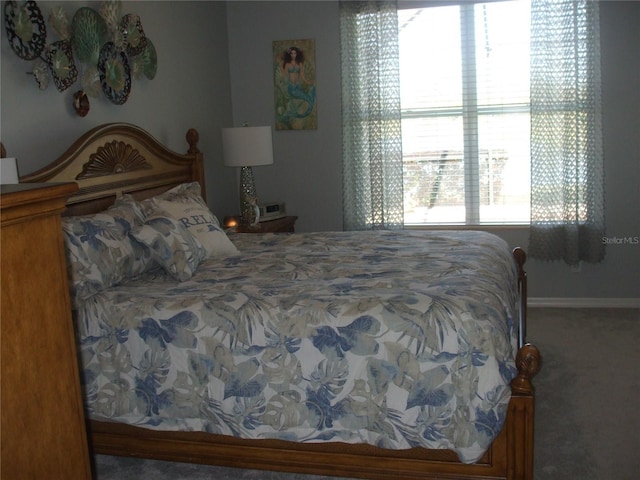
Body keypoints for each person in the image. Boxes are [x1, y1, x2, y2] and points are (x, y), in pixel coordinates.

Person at [278, 46, 316, 120]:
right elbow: (283, 73)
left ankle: (298, 113)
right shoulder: (287, 64)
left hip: (297, 87)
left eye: (294, 53)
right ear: (290, 54)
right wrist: (280, 63)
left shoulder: (300, 64)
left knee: (309, 98)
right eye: (291, 53)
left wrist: (309, 82)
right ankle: (294, 113)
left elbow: (302, 76)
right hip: (291, 88)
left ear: (296, 54)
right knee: (308, 99)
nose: (293, 55)